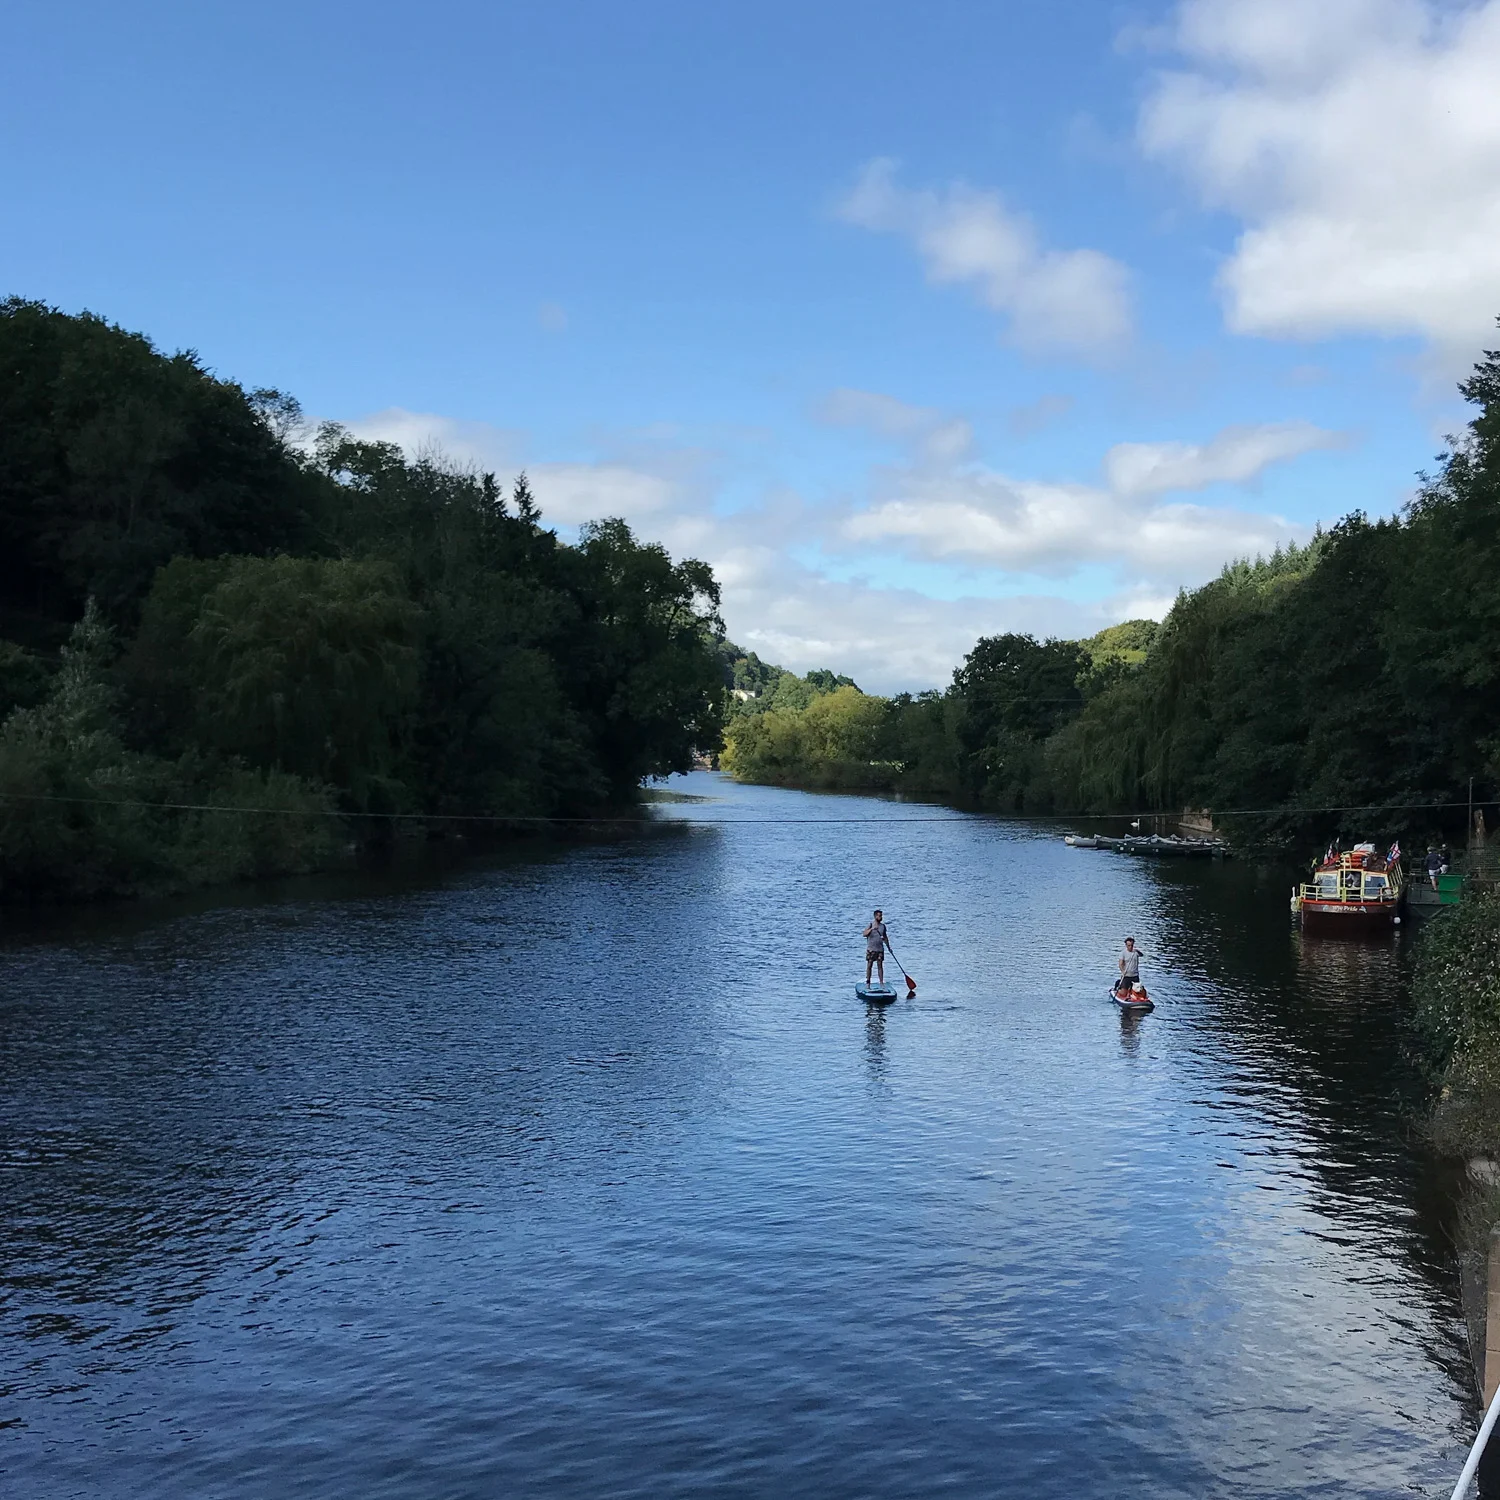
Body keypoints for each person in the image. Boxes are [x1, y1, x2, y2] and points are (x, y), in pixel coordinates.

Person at [864, 909, 889, 986]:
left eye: (881, 915)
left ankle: (881, 982)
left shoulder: (883, 926)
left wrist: (888, 946)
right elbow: (864, 934)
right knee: (869, 965)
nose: (881, 917)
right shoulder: (870, 924)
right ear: (875, 916)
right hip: (871, 949)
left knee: (880, 966)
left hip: (880, 949)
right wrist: (871, 929)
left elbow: (885, 937)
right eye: (879, 915)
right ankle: (868, 982)